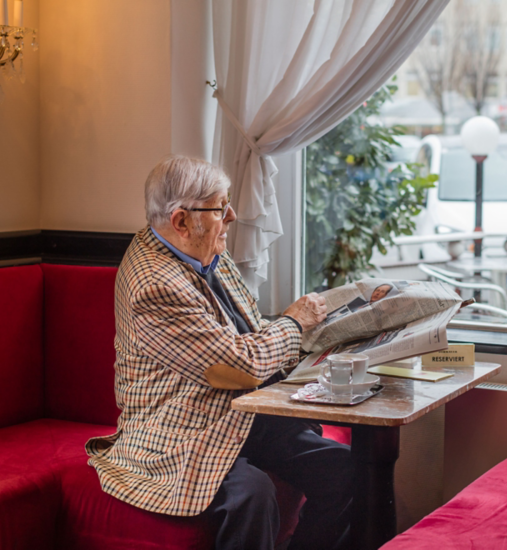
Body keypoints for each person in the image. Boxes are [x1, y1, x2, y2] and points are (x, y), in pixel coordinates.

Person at [85, 156, 353, 550]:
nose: (231, 215)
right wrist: (295, 324)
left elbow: (250, 332)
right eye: (219, 207)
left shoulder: (205, 249)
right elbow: (237, 365)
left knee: (345, 471)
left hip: (239, 413)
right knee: (253, 494)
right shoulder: (154, 284)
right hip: (180, 427)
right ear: (180, 220)